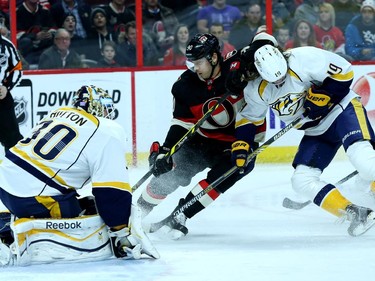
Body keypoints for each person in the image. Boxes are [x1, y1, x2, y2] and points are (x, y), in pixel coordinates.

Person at [229, 33, 375, 237]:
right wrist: (242, 145)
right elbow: (249, 118)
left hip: (341, 111)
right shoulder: (256, 90)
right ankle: (355, 213)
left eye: (282, 75)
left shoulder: (304, 58)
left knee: (366, 164)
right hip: (315, 131)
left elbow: (344, 72)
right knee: (301, 180)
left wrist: (324, 95)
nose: (280, 81)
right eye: (275, 80)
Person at [0, 85, 159, 266]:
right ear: (96, 105)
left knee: (86, 202)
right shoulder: (107, 130)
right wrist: (121, 232)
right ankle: (15, 234)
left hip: (6, 181)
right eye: (105, 105)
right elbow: (110, 192)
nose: (108, 111)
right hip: (32, 194)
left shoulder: (59, 112)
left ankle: (9, 219)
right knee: (89, 215)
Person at [137, 33, 267, 239]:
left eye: (198, 62)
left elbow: (264, 37)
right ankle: (137, 212)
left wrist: (247, 64)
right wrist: (165, 150)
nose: (195, 68)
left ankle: (182, 214)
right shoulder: (184, 85)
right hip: (202, 140)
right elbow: (181, 123)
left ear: (214, 58)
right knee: (170, 174)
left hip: (239, 143)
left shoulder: (236, 65)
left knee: (224, 175)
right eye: (192, 62)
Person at [0, 34, 23, 151]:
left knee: (13, 140)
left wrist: (6, 87)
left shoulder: (7, 45)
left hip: (1, 99)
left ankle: (15, 167)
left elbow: (17, 69)